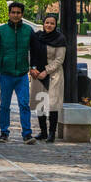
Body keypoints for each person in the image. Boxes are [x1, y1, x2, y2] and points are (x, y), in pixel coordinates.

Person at [0, 1, 35, 144]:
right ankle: (4, 132)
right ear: (9, 13)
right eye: (13, 12)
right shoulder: (1, 31)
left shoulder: (28, 30)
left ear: (22, 14)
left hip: (22, 74)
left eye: (18, 13)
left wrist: (32, 67)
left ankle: (27, 134)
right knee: (4, 105)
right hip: (6, 74)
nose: (16, 15)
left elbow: (34, 51)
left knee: (24, 104)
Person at [30, 13, 67, 142]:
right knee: (40, 104)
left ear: (55, 25)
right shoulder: (37, 36)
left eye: (52, 23)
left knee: (52, 105)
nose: (49, 25)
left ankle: (52, 133)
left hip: (53, 75)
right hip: (37, 75)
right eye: (47, 22)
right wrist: (32, 68)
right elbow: (32, 54)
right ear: (43, 23)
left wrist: (46, 71)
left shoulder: (60, 38)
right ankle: (43, 132)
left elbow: (59, 59)